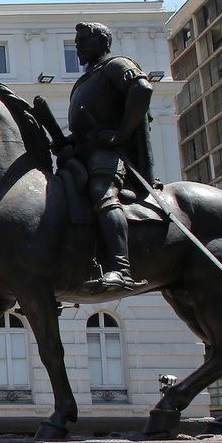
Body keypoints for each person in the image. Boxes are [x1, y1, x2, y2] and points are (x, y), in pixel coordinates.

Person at [64, 22, 154, 293]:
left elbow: (142, 90)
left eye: (83, 40)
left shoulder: (117, 65)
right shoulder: (84, 81)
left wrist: (120, 134)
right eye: (76, 40)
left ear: (103, 42)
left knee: (102, 194)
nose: (77, 45)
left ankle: (121, 268)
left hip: (108, 155)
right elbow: (81, 130)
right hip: (83, 155)